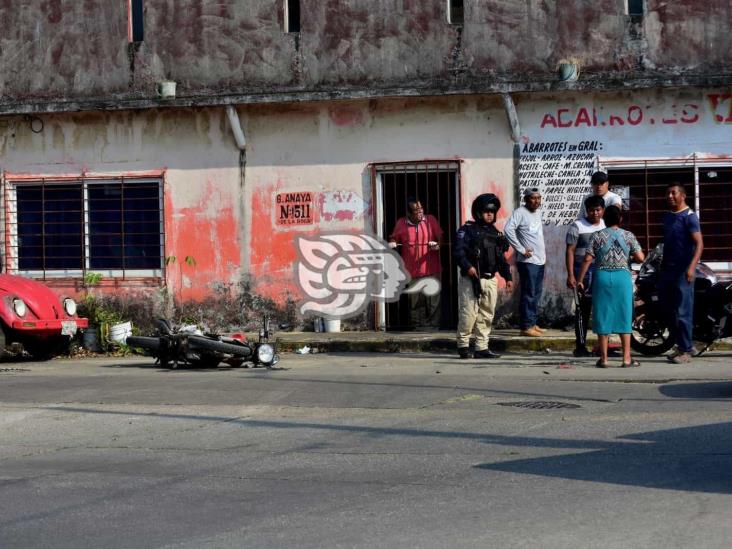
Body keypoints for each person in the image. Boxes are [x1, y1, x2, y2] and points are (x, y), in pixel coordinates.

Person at [577, 205, 645, 368]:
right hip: (622, 278)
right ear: (620, 219)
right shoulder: (628, 236)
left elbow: (587, 259)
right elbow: (641, 258)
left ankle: (604, 359)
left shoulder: (596, 236)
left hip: (602, 277)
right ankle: (627, 359)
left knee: (603, 314)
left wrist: (580, 279)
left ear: (604, 219)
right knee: (624, 314)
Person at [454, 194, 513, 359]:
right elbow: (458, 252)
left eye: (492, 212)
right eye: (486, 211)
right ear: (478, 213)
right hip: (471, 279)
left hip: (490, 279)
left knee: (487, 314)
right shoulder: (466, 230)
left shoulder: (495, 234)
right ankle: (463, 346)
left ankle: (481, 347)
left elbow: (500, 258)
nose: (490, 214)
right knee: (469, 313)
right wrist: (468, 267)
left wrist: (508, 277)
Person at [660, 183, 704, 364]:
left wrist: (691, 267)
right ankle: (682, 345)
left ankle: (686, 350)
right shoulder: (668, 217)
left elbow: (700, 244)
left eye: (673, 193)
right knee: (670, 310)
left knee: (683, 310)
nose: (670, 196)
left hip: (683, 271)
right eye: (668, 193)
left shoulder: (690, 217)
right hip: (668, 270)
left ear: (683, 195)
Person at [389, 198, 443, 328]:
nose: (420, 212)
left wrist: (437, 245)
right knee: (415, 301)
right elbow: (393, 237)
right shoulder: (401, 223)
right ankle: (418, 327)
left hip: (432, 267)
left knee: (433, 300)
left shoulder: (430, 220)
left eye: (421, 209)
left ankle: (433, 327)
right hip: (411, 270)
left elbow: (440, 236)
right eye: (416, 211)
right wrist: (392, 242)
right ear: (408, 214)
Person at [566, 195, 606, 357]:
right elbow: (569, 251)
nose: (595, 213)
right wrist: (571, 275)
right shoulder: (577, 226)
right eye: (591, 210)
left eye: (598, 210)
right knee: (583, 311)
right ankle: (580, 346)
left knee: (602, 311)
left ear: (603, 210)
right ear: (586, 210)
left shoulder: (606, 225)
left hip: (603, 273)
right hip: (582, 275)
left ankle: (602, 346)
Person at [504, 187, 546, 337]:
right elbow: (508, 230)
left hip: (540, 261)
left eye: (538, 198)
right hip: (528, 261)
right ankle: (526, 326)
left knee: (536, 293)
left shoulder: (537, 213)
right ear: (526, 199)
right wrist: (521, 249)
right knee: (529, 293)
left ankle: (533, 323)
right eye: (533, 198)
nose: (536, 201)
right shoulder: (520, 213)